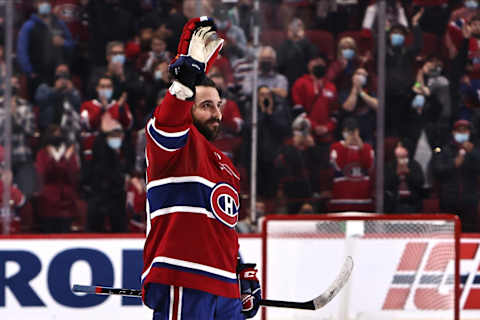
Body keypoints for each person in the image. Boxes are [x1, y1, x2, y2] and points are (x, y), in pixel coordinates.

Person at [141, 17, 261, 319]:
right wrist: (183, 86)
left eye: (218, 105)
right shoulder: (174, 144)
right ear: (188, 108)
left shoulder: (226, 166)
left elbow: (221, 226)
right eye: (206, 105)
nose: (217, 113)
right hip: (185, 275)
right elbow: (168, 120)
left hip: (225, 288)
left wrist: (240, 268)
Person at [17, 0, 74, 98]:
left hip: (58, 74)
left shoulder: (59, 23)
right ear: (36, 4)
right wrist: (29, 71)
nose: (44, 4)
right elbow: (22, 51)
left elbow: (71, 44)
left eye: (46, 1)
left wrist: (63, 43)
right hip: (37, 74)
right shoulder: (29, 25)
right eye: (40, 2)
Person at [431, 119, 480, 232]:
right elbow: (437, 169)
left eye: (465, 131)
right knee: (449, 233)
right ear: (454, 133)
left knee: (469, 231)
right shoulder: (444, 150)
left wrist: (472, 152)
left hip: (470, 200)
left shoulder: (475, 150)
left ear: (469, 133)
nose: (462, 134)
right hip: (449, 200)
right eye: (459, 131)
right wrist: (454, 164)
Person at [35, 124, 81, 233]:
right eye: (54, 134)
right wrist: (57, 161)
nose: (57, 136)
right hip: (48, 203)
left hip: (66, 204)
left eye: (59, 133)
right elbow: (44, 174)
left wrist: (64, 159)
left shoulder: (69, 153)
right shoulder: (42, 154)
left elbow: (73, 176)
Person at [328, 117, 375, 212]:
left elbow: (368, 166)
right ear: (343, 132)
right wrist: (346, 146)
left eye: (353, 131)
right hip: (341, 202)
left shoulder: (367, 148)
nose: (352, 134)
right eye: (348, 131)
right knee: (342, 227)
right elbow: (339, 166)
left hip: (363, 202)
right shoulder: (336, 147)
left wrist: (361, 147)